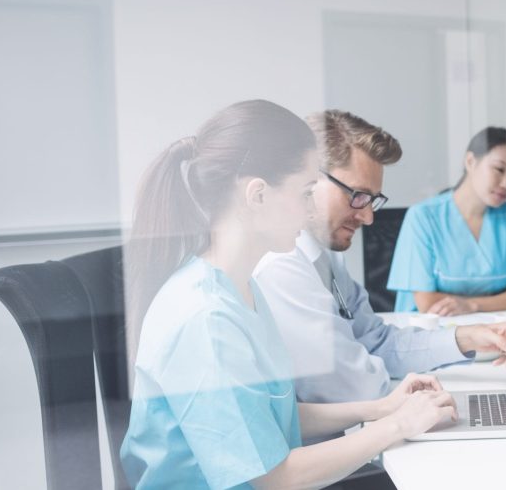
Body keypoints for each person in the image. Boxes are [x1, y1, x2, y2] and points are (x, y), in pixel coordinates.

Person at [120, 100, 457, 489]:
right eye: (305, 191)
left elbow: (271, 414)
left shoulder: (239, 289)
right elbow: (272, 477)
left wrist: (382, 407)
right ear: (257, 196)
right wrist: (398, 424)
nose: (309, 207)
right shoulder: (206, 317)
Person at [254, 110, 506, 405]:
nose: (369, 217)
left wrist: (468, 337)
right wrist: (430, 390)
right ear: (309, 180)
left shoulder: (326, 257)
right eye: (357, 194)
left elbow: (379, 343)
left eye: (372, 200)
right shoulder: (283, 266)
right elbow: (352, 387)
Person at [387, 127, 506, 315]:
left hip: (495, 331)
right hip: (429, 335)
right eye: (499, 169)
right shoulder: (423, 217)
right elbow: (428, 303)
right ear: (470, 162)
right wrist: (496, 302)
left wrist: (472, 306)